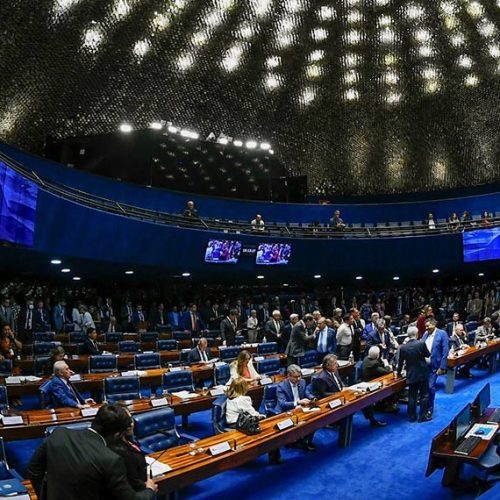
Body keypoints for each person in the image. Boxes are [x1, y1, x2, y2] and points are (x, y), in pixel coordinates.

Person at [28, 404, 157, 500]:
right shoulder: (110, 460)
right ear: (117, 434)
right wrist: (149, 490)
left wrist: (44, 495)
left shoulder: (59, 434)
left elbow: (33, 469)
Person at [108, 407, 148, 492]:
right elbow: (133, 483)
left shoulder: (129, 440)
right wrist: (149, 488)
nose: (131, 424)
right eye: (127, 421)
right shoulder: (121, 452)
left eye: (131, 419)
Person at [276, 365, 315, 451]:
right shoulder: (281, 386)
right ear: (289, 375)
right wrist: (297, 402)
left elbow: (306, 392)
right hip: (286, 411)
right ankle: (294, 441)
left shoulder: (302, 382)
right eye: (295, 377)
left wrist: (311, 397)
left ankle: (305, 441)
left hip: (301, 408)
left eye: (299, 376)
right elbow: (282, 404)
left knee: (314, 418)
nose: (298, 379)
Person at [397, 326, 431, 423]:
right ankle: (422, 416)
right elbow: (428, 355)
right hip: (422, 373)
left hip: (411, 374)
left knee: (412, 396)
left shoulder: (403, 347)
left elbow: (400, 363)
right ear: (416, 334)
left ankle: (412, 417)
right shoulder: (421, 344)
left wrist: (399, 374)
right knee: (424, 395)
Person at [422, 318, 449, 418]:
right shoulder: (425, 334)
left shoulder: (442, 334)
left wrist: (442, 366)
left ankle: (430, 408)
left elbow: (445, 351)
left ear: (434, 325)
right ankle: (424, 405)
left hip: (434, 366)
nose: (426, 328)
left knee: (430, 387)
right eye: (425, 326)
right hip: (423, 366)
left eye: (428, 326)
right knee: (424, 387)